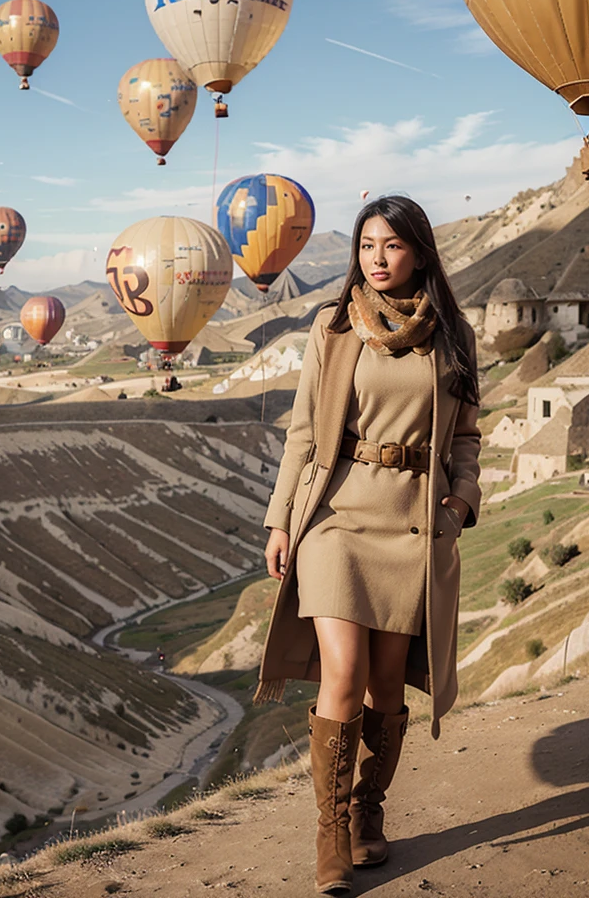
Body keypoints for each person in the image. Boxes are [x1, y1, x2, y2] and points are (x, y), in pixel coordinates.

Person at [255, 195, 482, 894]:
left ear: (419, 251)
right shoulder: (334, 326)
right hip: (336, 517)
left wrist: (461, 501)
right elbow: (301, 432)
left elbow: (468, 438)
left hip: (412, 523)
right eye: (365, 246)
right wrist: (282, 519)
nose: (376, 259)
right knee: (343, 674)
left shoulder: (451, 335)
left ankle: (367, 811)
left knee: (388, 684)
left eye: (390, 246)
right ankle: (330, 833)